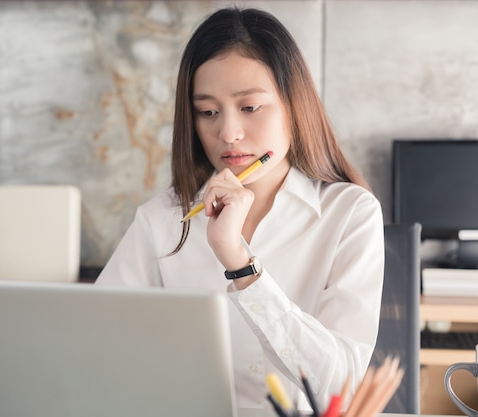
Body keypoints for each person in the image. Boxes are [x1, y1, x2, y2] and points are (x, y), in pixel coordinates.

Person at [95, 6, 384, 413]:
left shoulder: (349, 213)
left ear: (293, 106)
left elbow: (343, 384)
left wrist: (242, 265)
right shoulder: (161, 220)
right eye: (208, 112)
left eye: (250, 107)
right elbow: (94, 348)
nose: (228, 134)